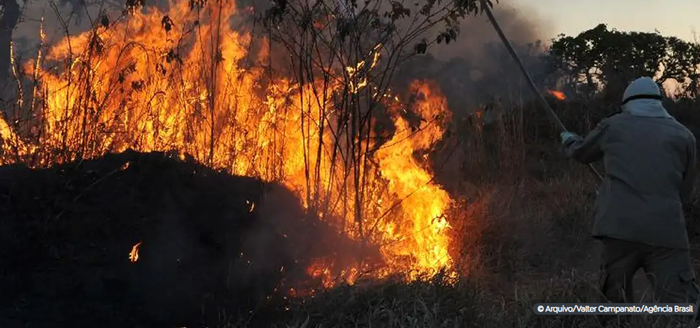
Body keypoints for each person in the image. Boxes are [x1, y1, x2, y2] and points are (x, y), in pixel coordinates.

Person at [560, 77, 699, 311]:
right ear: (659, 102)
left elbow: (582, 153)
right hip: (667, 232)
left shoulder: (612, 126)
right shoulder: (684, 135)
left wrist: (569, 141)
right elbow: (685, 192)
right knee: (681, 306)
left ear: (627, 102)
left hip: (618, 230)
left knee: (614, 304)